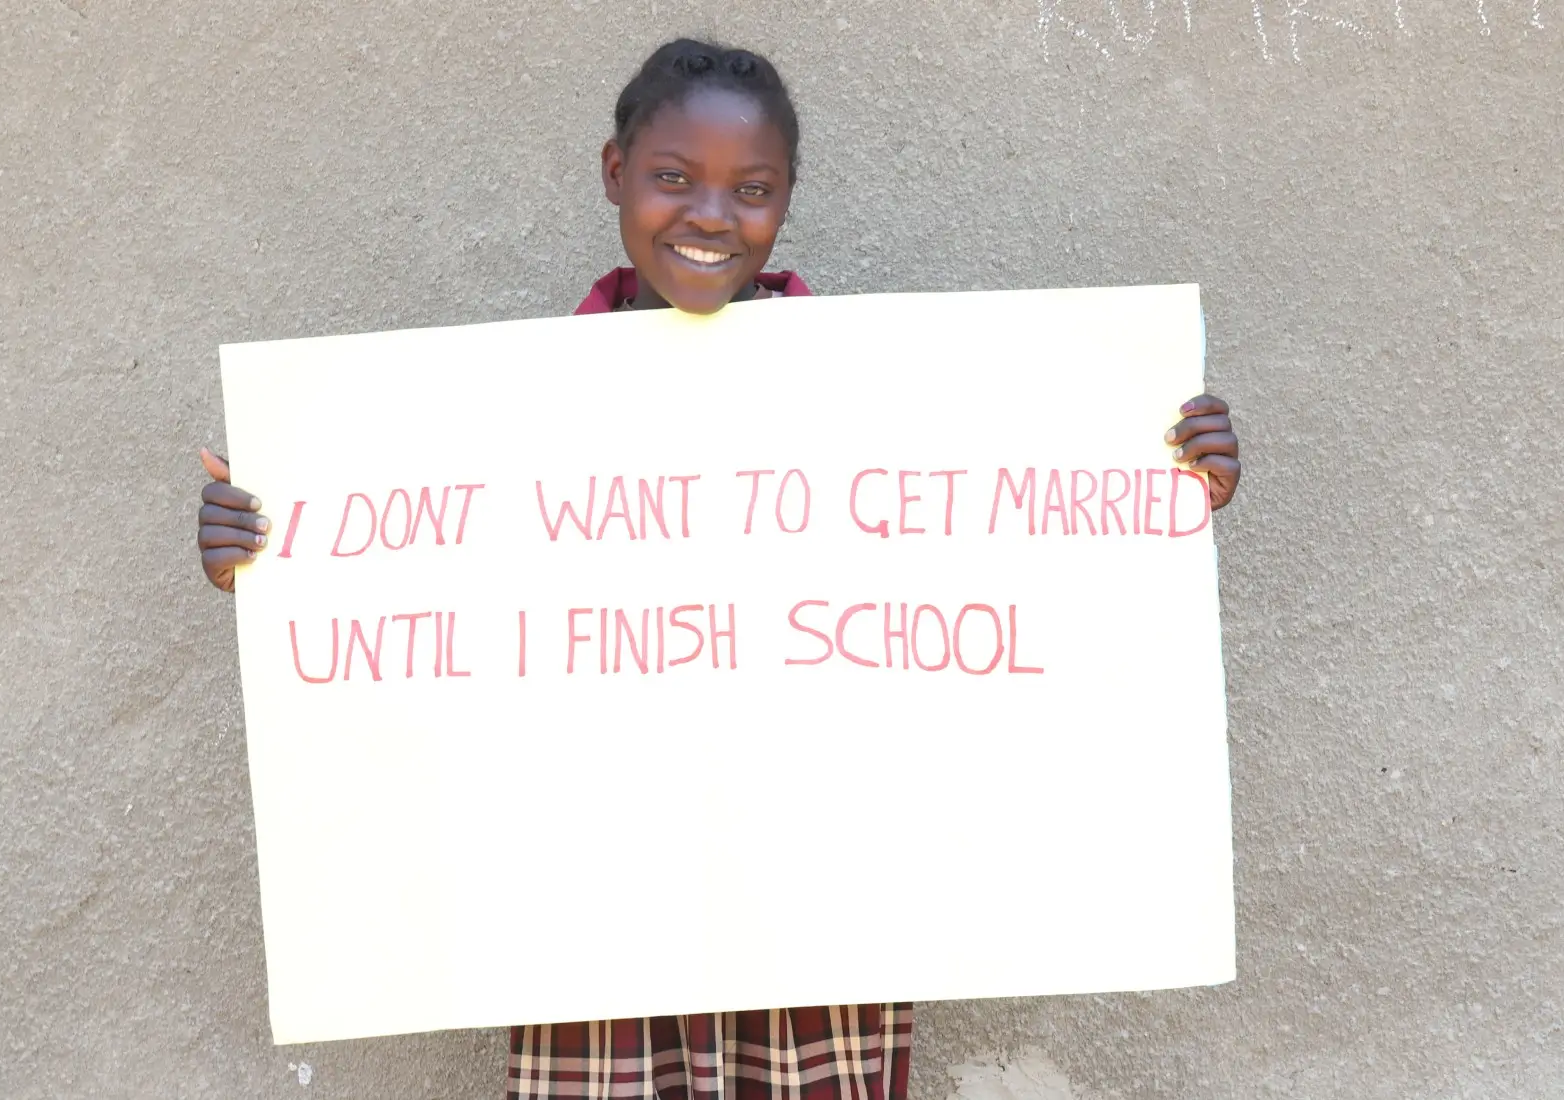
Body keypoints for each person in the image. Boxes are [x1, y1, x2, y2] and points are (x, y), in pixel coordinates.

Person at [195, 37, 1242, 1100]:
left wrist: (1158, 483)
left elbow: (1028, 562)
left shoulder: (889, 400)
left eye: (751, 189)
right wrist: (277, 555)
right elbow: (408, 611)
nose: (709, 214)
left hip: (822, 912)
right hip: (594, 919)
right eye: (670, 178)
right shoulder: (506, 416)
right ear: (614, 175)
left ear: (787, 199)